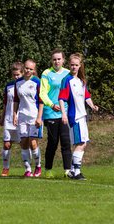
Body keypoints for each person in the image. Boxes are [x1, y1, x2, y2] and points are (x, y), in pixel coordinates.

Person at [58, 53, 99, 180]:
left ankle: (73, 170)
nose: (74, 67)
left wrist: (92, 106)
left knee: (83, 143)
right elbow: (61, 98)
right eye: (72, 65)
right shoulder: (66, 80)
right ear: (68, 65)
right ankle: (76, 172)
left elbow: (86, 96)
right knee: (80, 143)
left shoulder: (81, 81)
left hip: (82, 116)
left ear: (80, 66)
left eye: (76, 65)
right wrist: (63, 114)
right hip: (74, 116)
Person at [39, 48, 72, 179]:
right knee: (52, 142)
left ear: (63, 60)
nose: (57, 61)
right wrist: (52, 105)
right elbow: (42, 93)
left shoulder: (68, 73)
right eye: (54, 59)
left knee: (66, 141)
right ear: (51, 60)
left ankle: (67, 170)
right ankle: (48, 169)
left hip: (64, 113)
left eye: (59, 59)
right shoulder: (46, 73)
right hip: (51, 113)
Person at [13, 59, 44, 177]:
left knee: (33, 142)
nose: (28, 70)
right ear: (23, 68)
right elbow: (16, 100)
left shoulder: (37, 82)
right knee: (23, 142)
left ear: (34, 70)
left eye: (31, 69)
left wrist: (39, 117)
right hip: (22, 116)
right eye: (26, 68)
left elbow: (41, 101)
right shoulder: (18, 82)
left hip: (34, 116)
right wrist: (14, 114)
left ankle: (38, 166)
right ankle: (27, 169)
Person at [0, 62, 24, 177]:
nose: (16, 77)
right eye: (14, 75)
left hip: (21, 119)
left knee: (24, 143)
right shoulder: (8, 85)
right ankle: (5, 168)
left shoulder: (25, 85)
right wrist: (2, 116)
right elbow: (5, 103)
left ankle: (27, 168)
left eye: (18, 75)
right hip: (9, 119)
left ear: (22, 73)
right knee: (7, 144)